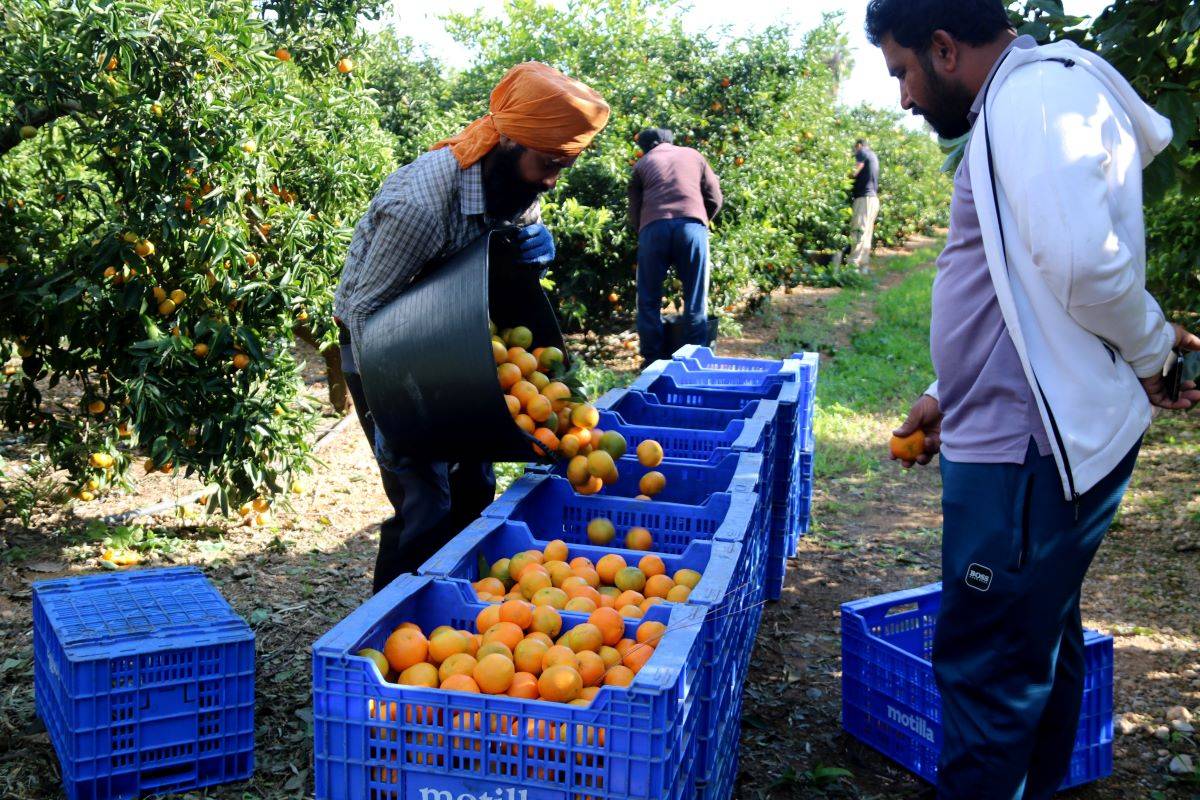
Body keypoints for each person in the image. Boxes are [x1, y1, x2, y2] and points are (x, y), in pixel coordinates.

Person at [865, 0, 1200, 797]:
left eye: (903, 72)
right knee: (1033, 645)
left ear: (944, 48)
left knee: (988, 675)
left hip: (1022, 457)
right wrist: (950, 391)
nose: (903, 98)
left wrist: (1153, 349)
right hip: (1009, 435)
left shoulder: (1036, 99)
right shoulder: (1017, 105)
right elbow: (1018, 286)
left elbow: (1083, 267)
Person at [333, 62, 609, 594]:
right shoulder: (420, 204)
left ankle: (458, 602)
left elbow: (507, 270)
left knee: (474, 486)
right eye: (547, 163)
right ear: (508, 142)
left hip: (459, 345)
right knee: (426, 499)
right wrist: (394, 417)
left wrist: (531, 256)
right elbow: (362, 312)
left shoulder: (515, 187)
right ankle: (390, 626)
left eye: (564, 166)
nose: (552, 180)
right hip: (382, 352)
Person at [627, 128, 723, 368]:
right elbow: (715, 198)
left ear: (647, 147)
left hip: (653, 229)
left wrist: (646, 231)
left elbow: (634, 209)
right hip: (692, 227)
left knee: (648, 299)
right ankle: (694, 361)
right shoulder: (694, 155)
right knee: (695, 297)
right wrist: (700, 219)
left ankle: (652, 361)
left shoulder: (642, 165)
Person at [849, 138, 881, 268]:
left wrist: (843, 177)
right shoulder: (873, 155)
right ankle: (863, 266)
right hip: (873, 199)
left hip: (864, 198)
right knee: (866, 232)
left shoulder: (862, 152)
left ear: (859, 145)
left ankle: (853, 265)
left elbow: (856, 170)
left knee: (858, 230)